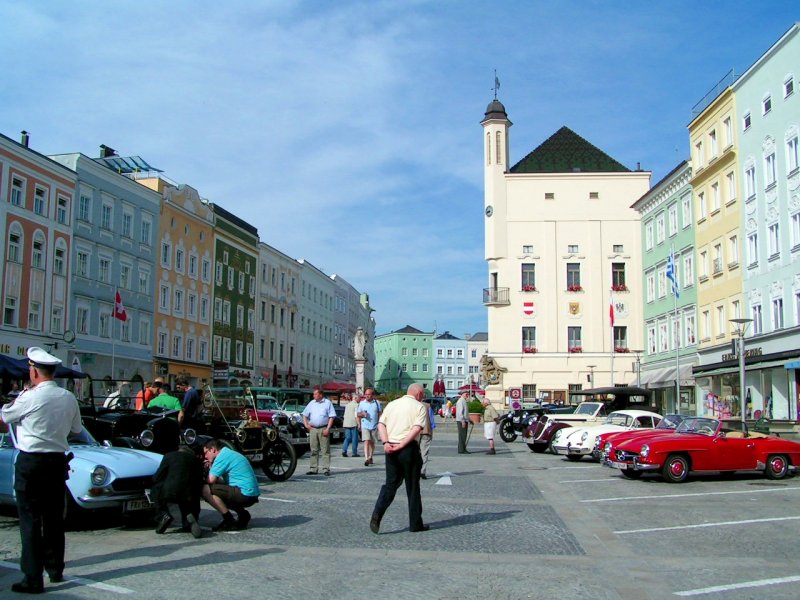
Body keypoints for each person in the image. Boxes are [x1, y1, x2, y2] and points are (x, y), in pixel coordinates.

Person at [0, 347, 82, 593]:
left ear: (34, 371)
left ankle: (32, 577)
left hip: (32, 462)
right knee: (54, 518)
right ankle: (55, 569)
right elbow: (77, 429)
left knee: (31, 520)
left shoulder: (29, 397)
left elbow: (5, 418)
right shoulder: (68, 397)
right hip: (57, 462)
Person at [369, 383, 429, 534]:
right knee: (413, 487)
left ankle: (377, 514)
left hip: (391, 449)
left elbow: (381, 424)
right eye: (422, 394)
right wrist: (402, 444)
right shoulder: (419, 406)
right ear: (419, 394)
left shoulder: (392, 404)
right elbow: (416, 428)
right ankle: (415, 524)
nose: (422, 397)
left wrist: (386, 443)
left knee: (390, 484)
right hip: (408, 449)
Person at [202, 439, 260, 531]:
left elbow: (210, 480)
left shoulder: (221, 457)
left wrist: (208, 469)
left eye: (206, 453)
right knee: (218, 490)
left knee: (205, 490)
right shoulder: (229, 453)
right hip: (251, 494)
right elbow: (220, 482)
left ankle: (229, 520)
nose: (205, 456)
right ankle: (243, 515)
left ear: (212, 449)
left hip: (244, 493)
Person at [151, 445, 204, 538]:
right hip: (188, 494)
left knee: (156, 488)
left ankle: (163, 515)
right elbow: (199, 482)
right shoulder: (197, 461)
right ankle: (190, 518)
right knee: (191, 495)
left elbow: (157, 477)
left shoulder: (168, 456)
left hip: (169, 491)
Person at [302, 387, 336, 476]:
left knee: (325, 450)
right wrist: (306, 425)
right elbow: (304, 414)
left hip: (323, 428)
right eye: (314, 394)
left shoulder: (327, 403)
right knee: (313, 450)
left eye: (315, 394)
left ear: (321, 395)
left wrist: (328, 428)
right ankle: (313, 468)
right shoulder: (312, 403)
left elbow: (331, 417)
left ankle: (326, 469)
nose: (314, 396)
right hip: (313, 429)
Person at [357, 387, 381, 466]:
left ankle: (371, 456)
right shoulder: (362, 403)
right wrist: (362, 415)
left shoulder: (377, 403)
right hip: (365, 425)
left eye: (369, 394)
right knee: (366, 441)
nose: (367, 396)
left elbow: (380, 413)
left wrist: (380, 423)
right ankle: (366, 458)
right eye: (366, 394)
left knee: (372, 442)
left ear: (372, 395)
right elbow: (358, 414)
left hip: (374, 425)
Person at [419, 395, 435, 479]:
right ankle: (422, 471)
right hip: (426, 431)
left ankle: (413, 471)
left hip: (414, 433)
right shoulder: (428, 406)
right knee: (424, 452)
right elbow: (432, 421)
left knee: (414, 452)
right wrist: (431, 431)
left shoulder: (413, 405)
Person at [342, 393, 360, 457]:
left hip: (346, 423)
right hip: (353, 423)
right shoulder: (356, 405)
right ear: (355, 398)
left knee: (347, 438)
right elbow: (356, 415)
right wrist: (359, 423)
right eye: (358, 398)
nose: (359, 399)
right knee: (354, 439)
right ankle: (354, 453)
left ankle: (344, 450)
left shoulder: (348, 405)